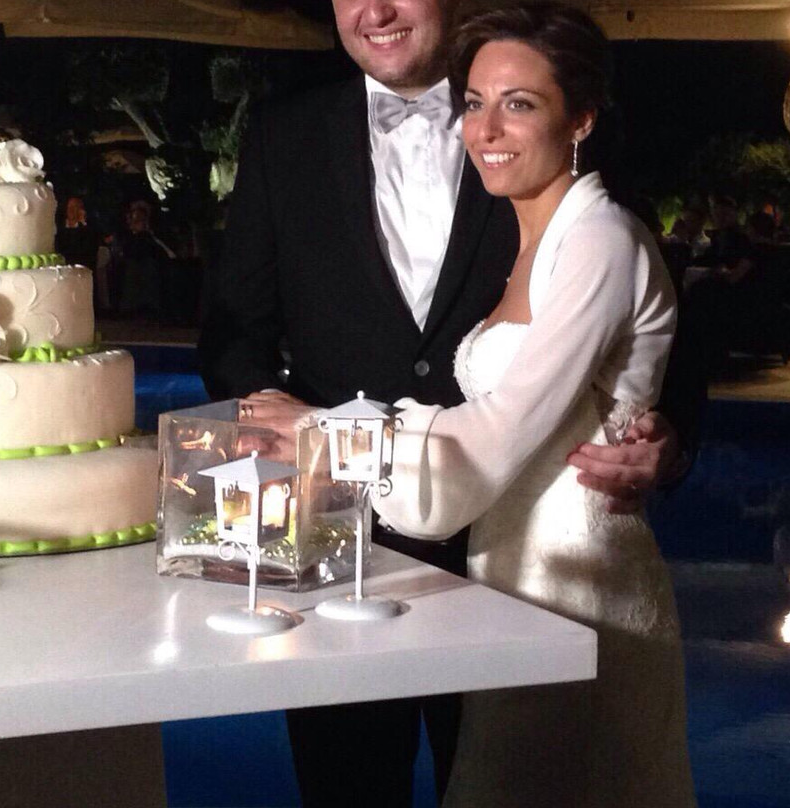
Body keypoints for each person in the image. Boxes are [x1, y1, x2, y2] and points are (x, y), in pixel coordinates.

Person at [198, 0, 702, 804]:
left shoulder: (580, 196)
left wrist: (668, 437)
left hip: (528, 562)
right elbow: (233, 332)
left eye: (516, 105)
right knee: (348, 787)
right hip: (342, 544)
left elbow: (657, 323)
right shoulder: (282, 135)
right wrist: (272, 450)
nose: (376, 10)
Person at [371, 4, 696, 805]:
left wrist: (326, 436)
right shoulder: (529, 236)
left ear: (581, 118)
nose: (486, 128)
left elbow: (495, 435)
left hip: (583, 582)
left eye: (519, 103)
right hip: (511, 575)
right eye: (474, 102)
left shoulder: (600, 240)